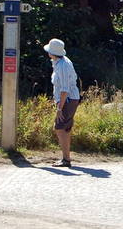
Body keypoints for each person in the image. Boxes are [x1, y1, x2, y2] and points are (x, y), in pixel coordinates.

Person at [44, 38, 81, 168]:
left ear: (52, 52)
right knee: (63, 128)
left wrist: (59, 108)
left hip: (68, 100)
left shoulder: (63, 65)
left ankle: (66, 159)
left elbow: (65, 89)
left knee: (60, 128)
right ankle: (66, 158)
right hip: (67, 100)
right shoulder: (59, 62)